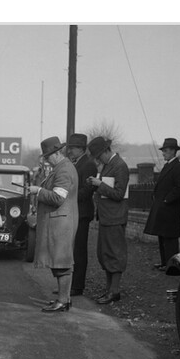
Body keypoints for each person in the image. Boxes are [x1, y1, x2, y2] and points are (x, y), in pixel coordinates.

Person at [28, 136, 80, 312]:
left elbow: (58, 198)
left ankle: (63, 301)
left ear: (57, 153)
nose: (47, 159)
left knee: (62, 263)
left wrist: (38, 191)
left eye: (48, 156)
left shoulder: (64, 170)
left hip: (61, 223)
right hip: (60, 222)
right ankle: (63, 298)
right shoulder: (60, 168)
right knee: (59, 262)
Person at [86, 136, 129, 304]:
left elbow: (119, 194)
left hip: (115, 217)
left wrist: (99, 184)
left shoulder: (120, 166)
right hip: (107, 217)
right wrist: (95, 183)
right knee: (105, 254)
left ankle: (114, 291)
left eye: (98, 156)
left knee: (115, 254)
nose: (98, 159)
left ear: (106, 151)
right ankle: (109, 290)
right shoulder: (109, 165)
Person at [143, 138, 180, 270]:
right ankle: (164, 262)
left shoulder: (178, 167)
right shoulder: (168, 165)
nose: (163, 153)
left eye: (166, 151)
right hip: (162, 208)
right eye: (163, 151)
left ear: (174, 151)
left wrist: (167, 200)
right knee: (162, 236)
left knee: (170, 238)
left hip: (170, 209)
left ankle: (172, 265)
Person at [65, 132, 97, 296]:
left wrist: (68, 195)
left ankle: (77, 286)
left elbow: (87, 191)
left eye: (72, 148)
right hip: (74, 212)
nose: (70, 151)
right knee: (72, 250)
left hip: (82, 213)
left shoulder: (89, 165)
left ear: (80, 149)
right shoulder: (77, 163)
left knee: (79, 250)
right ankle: (69, 285)